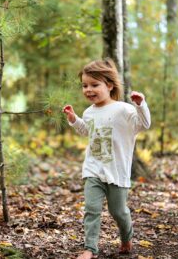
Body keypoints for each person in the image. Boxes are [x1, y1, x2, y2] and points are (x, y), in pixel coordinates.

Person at [63, 58, 151, 259]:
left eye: (95, 85)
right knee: (91, 208)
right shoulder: (88, 112)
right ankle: (90, 249)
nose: (88, 89)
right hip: (93, 169)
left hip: (117, 170)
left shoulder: (124, 109)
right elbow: (88, 131)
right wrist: (74, 120)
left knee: (118, 211)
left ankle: (126, 236)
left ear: (110, 85)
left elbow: (143, 124)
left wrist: (140, 104)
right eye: (85, 85)